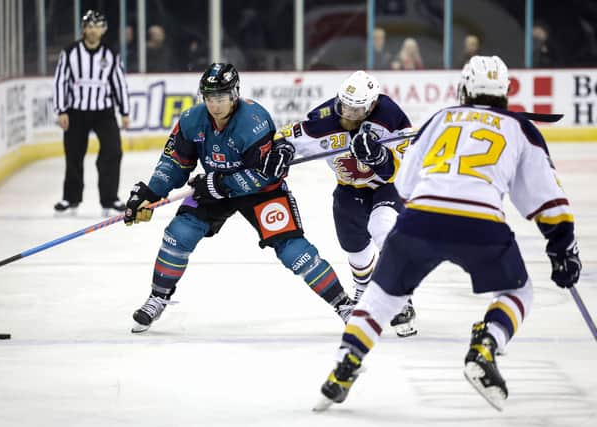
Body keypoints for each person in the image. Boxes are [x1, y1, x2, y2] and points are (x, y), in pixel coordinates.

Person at [315, 56, 582, 411]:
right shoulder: (520, 129)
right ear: (505, 92)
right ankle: (486, 343)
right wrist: (562, 246)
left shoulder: (440, 119)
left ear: (464, 88)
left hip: (420, 218)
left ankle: (344, 367)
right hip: (481, 223)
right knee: (519, 291)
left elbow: (405, 184)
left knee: (381, 297)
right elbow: (546, 199)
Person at [124, 63, 355, 333]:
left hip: (261, 192)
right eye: (209, 97)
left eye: (220, 97)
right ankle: (157, 297)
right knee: (179, 233)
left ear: (234, 94)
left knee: (293, 250)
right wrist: (150, 193)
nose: (214, 104)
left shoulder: (254, 121)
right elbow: (175, 163)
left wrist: (219, 183)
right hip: (214, 187)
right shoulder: (191, 120)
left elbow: (264, 175)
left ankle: (344, 304)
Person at [261, 71, 418, 338]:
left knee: (382, 227)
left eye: (356, 110)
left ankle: (401, 295)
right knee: (353, 245)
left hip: (386, 186)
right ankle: (362, 289)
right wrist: (284, 149)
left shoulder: (390, 115)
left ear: (371, 106)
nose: (348, 114)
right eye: (344, 106)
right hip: (349, 189)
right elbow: (286, 136)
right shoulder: (323, 118)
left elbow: (406, 161)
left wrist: (379, 157)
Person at [53, 10, 130, 216]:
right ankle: (70, 198)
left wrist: (124, 111)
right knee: (74, 155)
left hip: (104, 112)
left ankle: (110, 198)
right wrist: (61, 110)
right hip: (76, 111)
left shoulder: (111, 54)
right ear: (83, 29)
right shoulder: (70, 52)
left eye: (97, 26)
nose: (93, 30)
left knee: (113, 152)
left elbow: (118, 83)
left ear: (103, 29)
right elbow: (61, 81)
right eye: (89, 26)